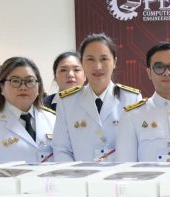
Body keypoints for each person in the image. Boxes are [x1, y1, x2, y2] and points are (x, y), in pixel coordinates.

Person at [52, 33, 142, 162]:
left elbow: (138, 147)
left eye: (104, 59)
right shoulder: (67, 101)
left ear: (114, 62)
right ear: (82, 63)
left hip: (121, 174)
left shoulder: (131, 99)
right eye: (90, 59)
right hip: (80, 174)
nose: (98, 66)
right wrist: (75, 174)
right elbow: (62, 149)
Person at [0, 56, 56, 163]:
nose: (23, 87)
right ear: (1, 87)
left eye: (30, 81)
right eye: (15, 81)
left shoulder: (52, 119)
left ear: (39, 87)